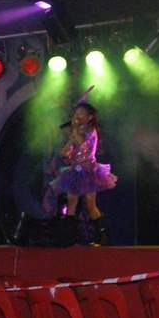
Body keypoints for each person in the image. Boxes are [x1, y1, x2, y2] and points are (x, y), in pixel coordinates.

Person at [51, 102, 117, 245]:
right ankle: (69, 238)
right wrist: (69, 142)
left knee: (89, 204)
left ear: (89, 117)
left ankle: (100, 237)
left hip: (89, 172)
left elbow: (82, 144)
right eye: (76, 113)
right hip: (75, 171)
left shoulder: (91, 131)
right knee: (71, 202)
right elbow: (64, 153)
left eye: (81, 113)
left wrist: (73, 131)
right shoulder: (76, 132)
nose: (77, 116)